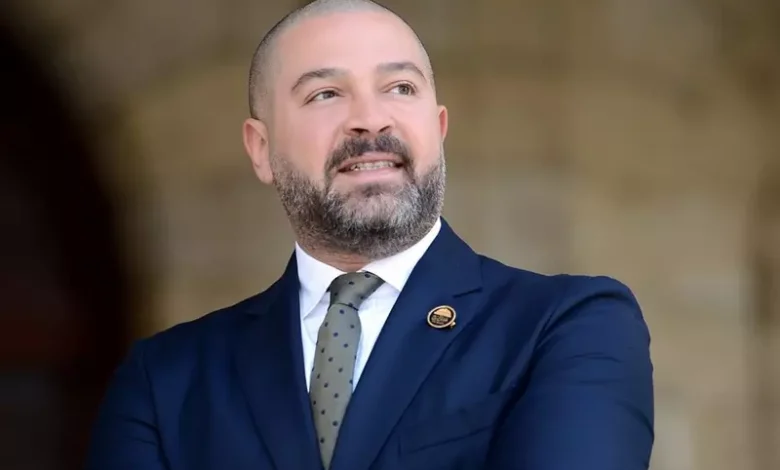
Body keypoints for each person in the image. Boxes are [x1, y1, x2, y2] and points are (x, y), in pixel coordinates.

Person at [84, 0, 654, 469]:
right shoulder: (166, 380)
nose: (371, 119)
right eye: (325, 94)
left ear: (438, 128)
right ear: (261, 149)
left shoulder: (567, 326)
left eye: (400, 88)